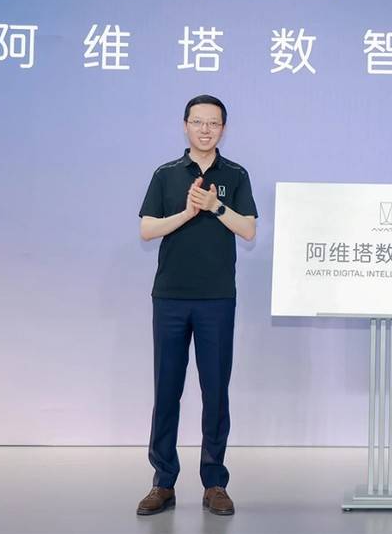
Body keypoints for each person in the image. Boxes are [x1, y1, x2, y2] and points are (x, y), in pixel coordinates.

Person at [135, 94, 257, 517]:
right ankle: (163, 482)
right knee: (166, 390)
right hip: (170, 297)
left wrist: (215, 206)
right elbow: (147, 229)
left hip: (217, 299)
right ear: (185, 125)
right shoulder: (166, 174)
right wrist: (188, 213)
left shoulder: (235, 175)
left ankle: (215, 482)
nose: (206, 130)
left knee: (215, 391)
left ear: (223, 129)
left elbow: (248, 229)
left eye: (214, 123)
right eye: (198, 122)